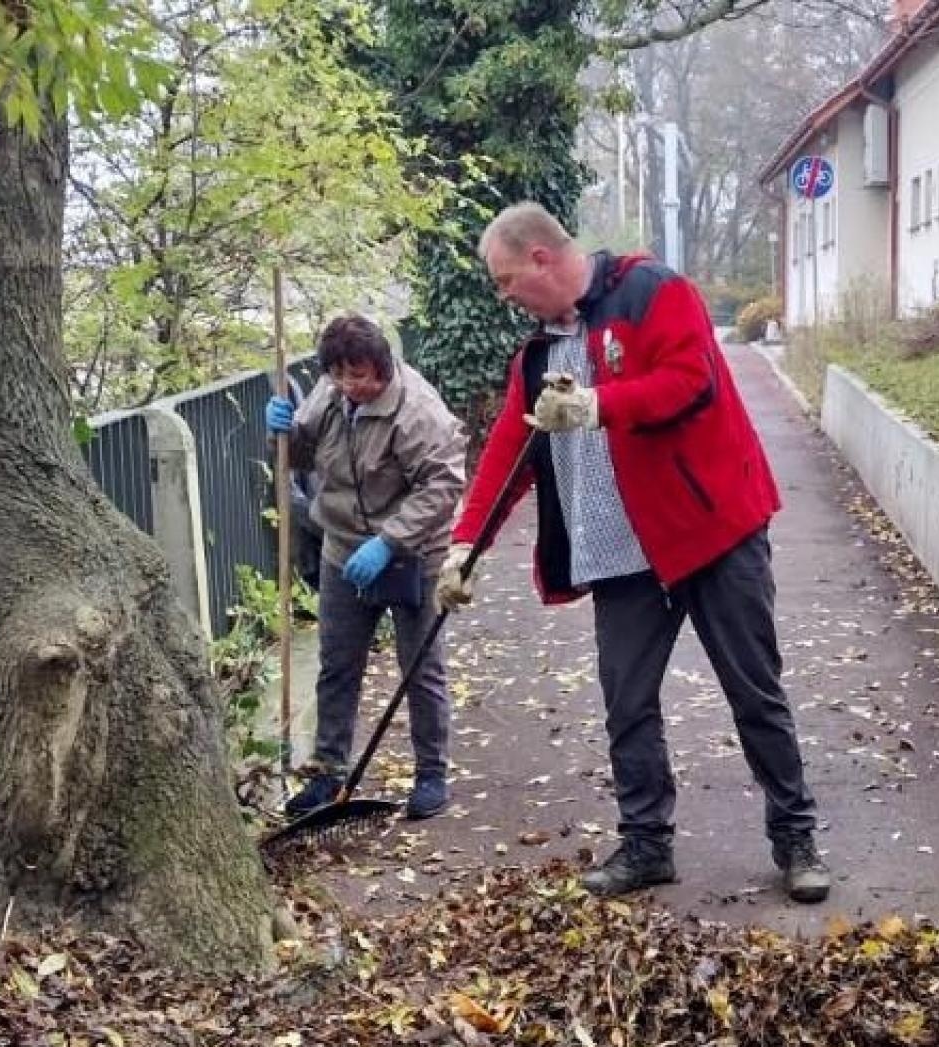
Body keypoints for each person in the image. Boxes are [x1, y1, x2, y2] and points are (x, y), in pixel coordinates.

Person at [436, 202, 830, 903]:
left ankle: (795, 838)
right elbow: (508, 451)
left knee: (753, 690)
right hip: (620, 551)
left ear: (541, 259)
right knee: (628, 703)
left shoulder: (654, 293)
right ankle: (647, 845)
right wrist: (466, 545)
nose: (503, 297)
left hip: (713, 530)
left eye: (504, 280)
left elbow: (689, 381)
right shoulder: (537, 353)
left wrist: (596, 405)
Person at [265, 314, 466, 820]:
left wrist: (388, 541)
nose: (350, 386)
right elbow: (300, 455)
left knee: (420, 667)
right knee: (337, 665)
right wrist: (282, 432)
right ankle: (328, 773)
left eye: (360, 375)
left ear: (381, 365)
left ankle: (430, 774)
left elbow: (442, 486)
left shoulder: (417, 411)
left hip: (412, 553)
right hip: (343, 551)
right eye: (339, 374)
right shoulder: (331, 395)